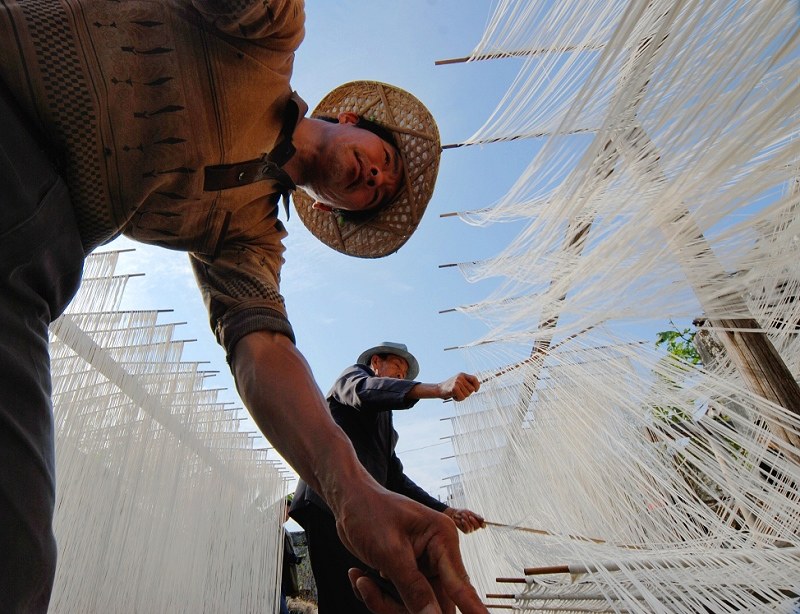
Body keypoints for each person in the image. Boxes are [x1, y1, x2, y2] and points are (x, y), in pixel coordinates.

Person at [0, 2, 489, 613]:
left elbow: (262, 348)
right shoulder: (263, 38)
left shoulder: (244, 234)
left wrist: (352, 491)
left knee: (18, 565)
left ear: (334, 211)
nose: (377, 177)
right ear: (351, 117)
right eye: (384, 158)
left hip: (26, 262)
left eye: (377, 193)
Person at [291, 342, 486, 613]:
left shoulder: (384, 426)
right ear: (375, 363)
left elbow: (395, 480)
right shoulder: (354, 378)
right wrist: (439, 389)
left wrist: (448, 511)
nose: (401, 375)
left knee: (369, 597)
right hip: (330, 504)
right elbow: (368, 391)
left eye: (405, 373)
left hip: (361, 512)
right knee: (343, 599)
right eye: (397, 366)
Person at [280, 495, 302, 614]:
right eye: (285, 512)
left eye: (289, 514)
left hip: (281, 577)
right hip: (274, 579)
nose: (287, 516)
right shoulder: (272, 530)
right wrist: (293, 558)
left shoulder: (283, 530)